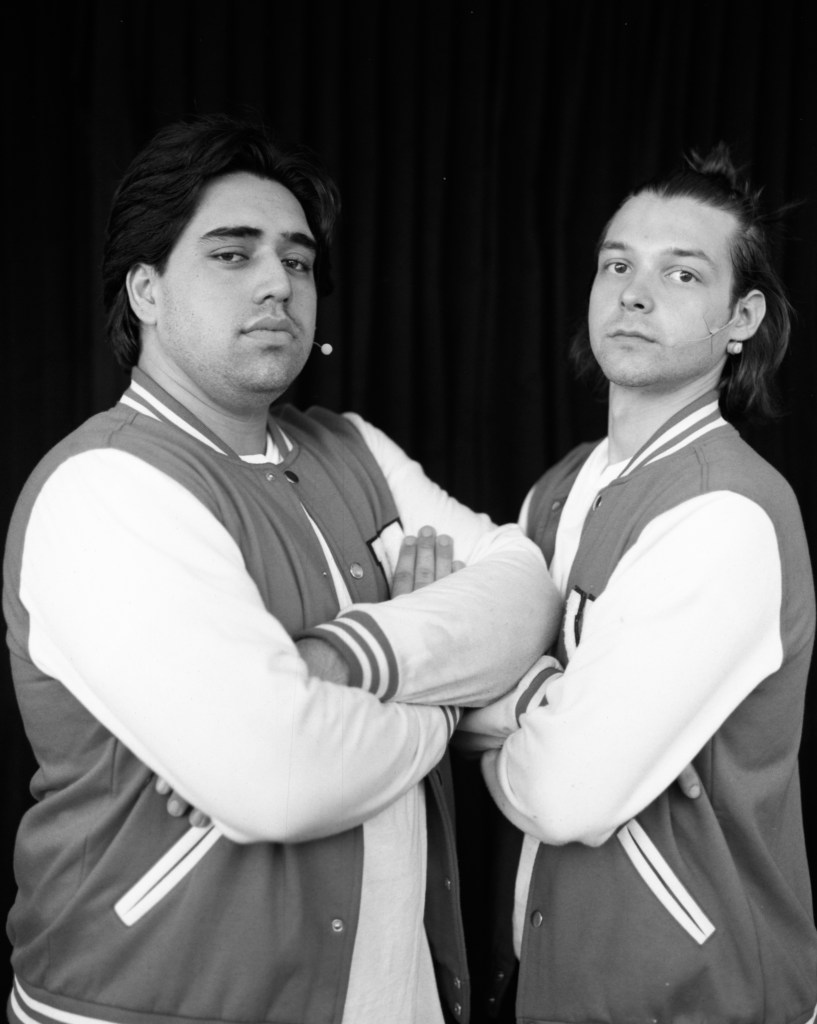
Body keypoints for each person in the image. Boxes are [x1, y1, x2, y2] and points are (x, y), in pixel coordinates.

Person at [2, 115, 562, 1024]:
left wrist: (340, 662)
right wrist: (447, 700)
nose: (278, 284)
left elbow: (523, 584)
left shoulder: (352, 449)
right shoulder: (104, 488)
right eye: (233, 255)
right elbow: (282, 777)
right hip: (159, 1001)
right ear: (146, 290)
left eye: (297, 261)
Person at [459, 145, 817, 1022]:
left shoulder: (724, 513)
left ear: (740, 318)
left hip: (701, 992)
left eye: (681, 273)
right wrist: (544, 707)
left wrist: (495, 699)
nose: (633, 293)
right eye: (616, 265)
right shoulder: (555, 489)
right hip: (555, 975)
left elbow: (563, 794)